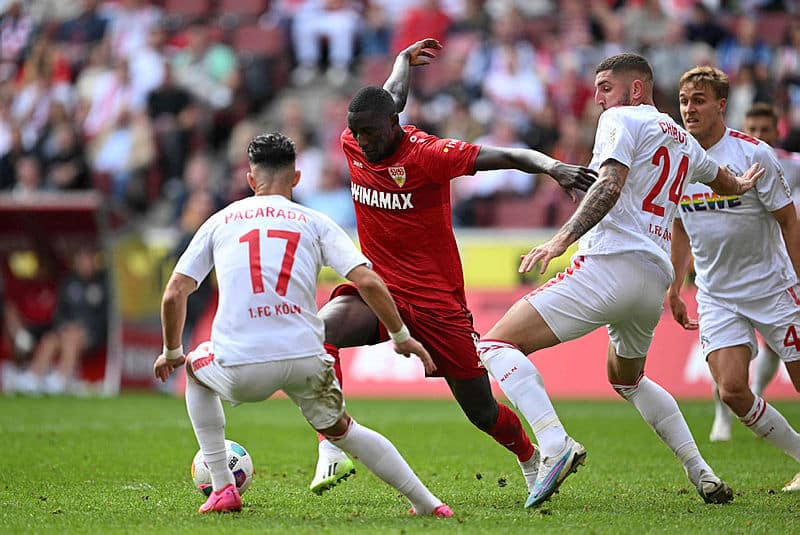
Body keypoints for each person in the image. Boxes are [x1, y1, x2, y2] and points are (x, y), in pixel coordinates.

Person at [309, 38, 598, 497]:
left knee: (482, 412)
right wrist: (402, 61)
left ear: (393, 124)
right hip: (380, 290)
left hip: (436, 302)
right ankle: (331, 445)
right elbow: (392, 93)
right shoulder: (356, 141)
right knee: (318, 334)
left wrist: (553, 167)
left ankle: (530, 456)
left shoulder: (427, 155)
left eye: (370, 132)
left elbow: (506, 156)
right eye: (356, 132)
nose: (362, 142)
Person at [475, 53, 765, 509]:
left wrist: (561, 239)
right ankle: (702, 472)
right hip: (653, 280)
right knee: (628, 378)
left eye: (606, 87)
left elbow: (610, 183)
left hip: (610, 264)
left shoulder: (620, 119)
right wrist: (742, 185)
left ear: (636, 89)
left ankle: (553, 442)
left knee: (494, 345)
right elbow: (720, 179)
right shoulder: (682, 139)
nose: (598, 98)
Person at [152, 132, 453, 517]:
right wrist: (400, 335)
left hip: (242, 367)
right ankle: (429, 504)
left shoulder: (221, 221)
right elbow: (368, 281)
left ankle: (224, 488)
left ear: (250, 180)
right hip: (306, 360)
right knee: (345, 431)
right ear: (296, 178)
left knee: (195, 369)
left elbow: (174, 292)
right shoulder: (315, 221)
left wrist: (171, 352)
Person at [668, 67, 800, 493]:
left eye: (699, 100)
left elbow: (788, 220)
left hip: (773, 286)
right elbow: (681, 226)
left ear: (721, 105)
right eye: (684, 101)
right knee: (731, 390)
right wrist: (675, 286)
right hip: (717, 294)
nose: (689, 109)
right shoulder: (677, 160)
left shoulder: (754, 154)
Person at [707, 102, 800, 442]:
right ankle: (723, 416)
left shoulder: (789, 164)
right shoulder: (720, 160)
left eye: (765, 130)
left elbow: (789, 219)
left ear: (777, 132)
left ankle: (758, 392)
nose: (759, 135)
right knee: (728, 373)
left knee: (776, 350)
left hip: (776, 274)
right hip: (725, 280)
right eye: (753, 129)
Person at [15, 246, 109, 395]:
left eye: (89, 260)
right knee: (49, 340)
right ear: (76, 262)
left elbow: (106, 316)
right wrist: (65, 326)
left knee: (72, 338)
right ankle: (33, 377)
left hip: (93, 334)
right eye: (83, 260)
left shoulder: (104, 284)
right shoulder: (68, 283)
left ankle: (61, 379)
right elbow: (58, 314)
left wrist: (82, 327)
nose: (86, 264)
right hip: (66, 330)